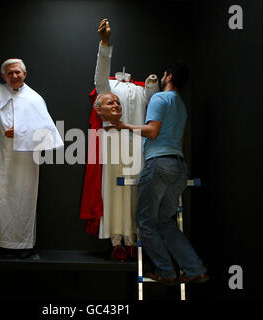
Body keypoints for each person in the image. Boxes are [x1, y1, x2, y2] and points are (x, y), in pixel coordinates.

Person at [0, 39, 63, 258]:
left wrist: (21, 132)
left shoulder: (35, 99)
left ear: (24, 74)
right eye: (9, 73)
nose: (14, 76)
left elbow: (49, 136)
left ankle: (23, 246)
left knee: (20, 200)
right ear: (3, 76)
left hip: (23, 162)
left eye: (17, 72)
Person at [111, 63, 208, 284]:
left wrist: (123, 125)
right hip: (178, 166)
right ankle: (195, 269)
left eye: (164, 75)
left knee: (145, 221)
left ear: (169, 76)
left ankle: (166, 272)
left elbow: (153, 132)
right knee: (166, 222)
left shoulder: (159, 99)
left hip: (159, 164)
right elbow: (179, 139)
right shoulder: (181, 105)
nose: (163, 77)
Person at [93, 18, 159, 260]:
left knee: (135, 191)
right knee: (112, 190)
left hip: (137, 144)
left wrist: (152, 84)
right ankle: (116, 239)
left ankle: (133, 237)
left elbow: (153, 101)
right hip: (112, 144)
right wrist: (105, 42)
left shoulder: (141, 89)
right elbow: (100, 72)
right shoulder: (107, 86)